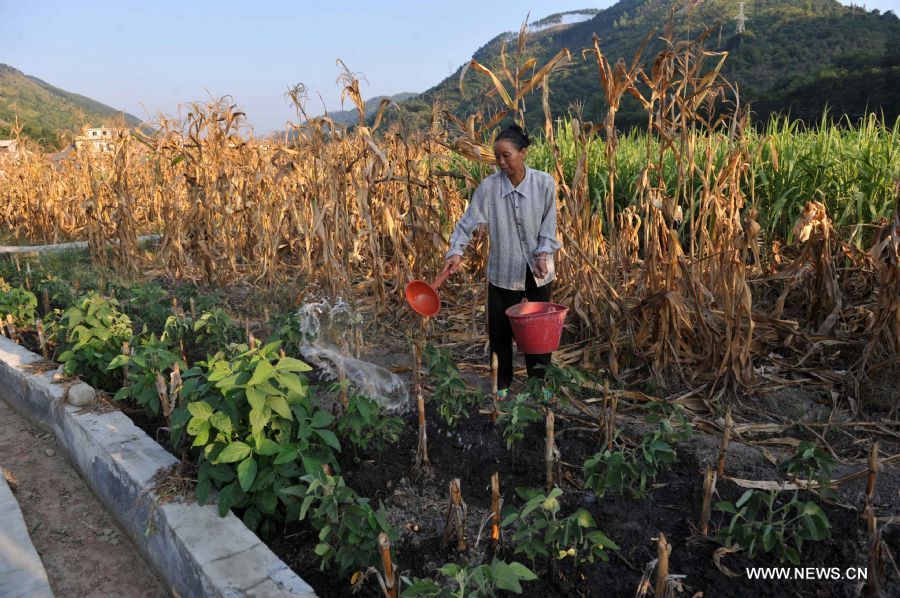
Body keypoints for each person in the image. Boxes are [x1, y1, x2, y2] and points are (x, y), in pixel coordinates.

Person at [441, 124, 561, 398]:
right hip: (503, 270)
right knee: (500, 330)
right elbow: (466, 223)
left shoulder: (544, 183)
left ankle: (539, 384)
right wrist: (455, 251)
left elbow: (548, 224)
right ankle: (503, 383)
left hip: (538, 269)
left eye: (507, 155)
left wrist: (543, 254)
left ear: (523, 153)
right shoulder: (489, 188)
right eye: (497, 157)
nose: (502, 162)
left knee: (538, 331)